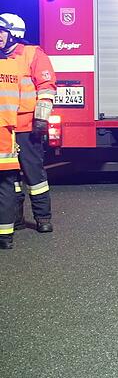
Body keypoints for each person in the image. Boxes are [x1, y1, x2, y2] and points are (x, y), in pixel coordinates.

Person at [0, 13, 56, 233]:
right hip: (5, 128)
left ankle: (43, 218)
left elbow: (46, 87)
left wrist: (41, 118)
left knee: (34, 175)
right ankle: (15, 218)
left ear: (14, 33)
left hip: (27, 127)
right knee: (9, 177)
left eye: (2, 32)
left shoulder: (32, 54)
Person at [0, 18, 30, 249]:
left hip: (5, 133)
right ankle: (5, 235)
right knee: (6, 185)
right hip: (6, 134)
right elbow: (23, 101)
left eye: (2, 31)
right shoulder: (14, 68)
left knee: (6, 185)